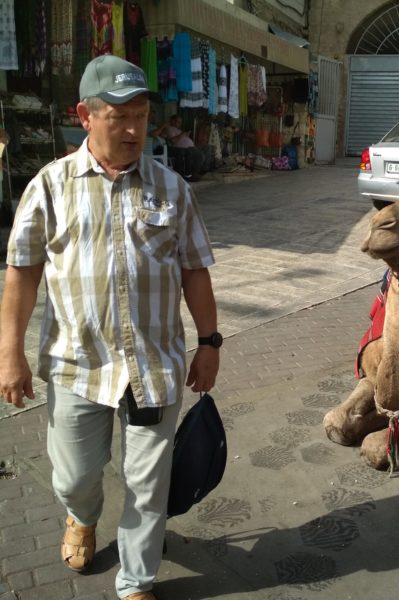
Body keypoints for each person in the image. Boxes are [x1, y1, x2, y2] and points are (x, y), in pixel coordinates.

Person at [0, 54, 221, 600]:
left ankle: (136, 580)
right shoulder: (50, 186)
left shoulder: (172, 189)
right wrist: (11, 353)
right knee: (75, 475)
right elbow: (22, 274)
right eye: (118, 117)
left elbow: (195, 271)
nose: (132, 130)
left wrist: (210, 342)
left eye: (141, 117)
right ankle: (81, 514)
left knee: (149, 483)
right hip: (78, 364)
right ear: (85, 115)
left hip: (155, 365)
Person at [163, 114, 212, 180]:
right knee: (200, 155)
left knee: (208, 147)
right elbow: (173, 141)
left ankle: (204, 170)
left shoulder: (178, 130)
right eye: (178, 122)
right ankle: (194, 174)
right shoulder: (170, 129)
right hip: (185, 149)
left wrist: (186, 135)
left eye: (180, 122)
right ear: (172, 121)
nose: (180, 124)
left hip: (192, 146)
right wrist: (182, 134)